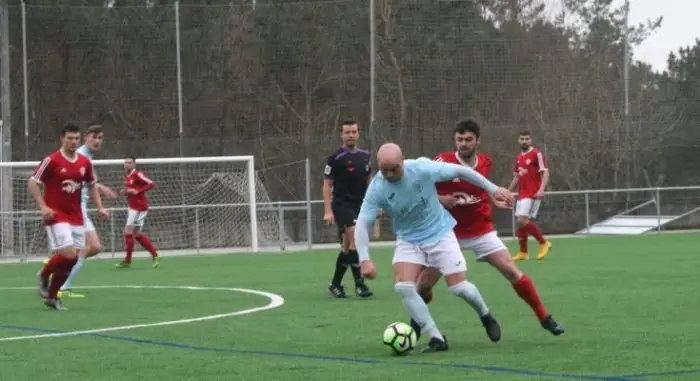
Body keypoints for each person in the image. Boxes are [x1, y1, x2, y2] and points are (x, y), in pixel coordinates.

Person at [409, 119, 564, 339]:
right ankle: (415, 325)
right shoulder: (442, 161)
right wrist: (440, 198)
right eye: (459, 139)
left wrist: (493, 201)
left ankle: (544, 317)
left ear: (478, 141)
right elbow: (419, 189)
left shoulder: (485, 162)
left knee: (511, 271)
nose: (463, 144)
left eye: (468, 139)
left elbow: (479, 191)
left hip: (481, 230)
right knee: (423, 285)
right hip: (447, 234)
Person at [354, 143, 513, 352]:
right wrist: (364, 258)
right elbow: (363, 222)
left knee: (459, 288)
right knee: (403, 287)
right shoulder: (377, 187)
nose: (390, 174)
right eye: (385, 170)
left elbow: (461, 171)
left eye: (395, 168)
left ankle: (485, 314)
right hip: (409, 239)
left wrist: (494, 188)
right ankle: (436, 337)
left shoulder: (421, 167)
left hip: (440, 233)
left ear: (403, 159)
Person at [30, 124, 109, 310]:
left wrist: (100, 207)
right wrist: (43, 207)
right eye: (70, 138)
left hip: (76, 216)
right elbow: (33, 183)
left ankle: (51, 296)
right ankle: (44, 274)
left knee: (73, 259)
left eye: (76, 139)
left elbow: (92, 185)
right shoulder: (52, 160)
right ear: (62, 139)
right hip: (56, 215)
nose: (73, 142)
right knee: (69, 254)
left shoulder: (84, 162)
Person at [58, 124, 117, 298]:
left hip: (81, 208)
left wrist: (100, 199)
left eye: (100, 138)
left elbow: (88, 182)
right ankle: (62, 280)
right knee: (92, 246)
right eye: (94, 137)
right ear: (86, 137)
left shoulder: (87, 156)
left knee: (93, 247)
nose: (97, 141)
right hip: (74, 209)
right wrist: (101, 191)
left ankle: (61, 271)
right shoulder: (81, 154)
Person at [322, 120, 373, 298]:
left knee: (347, 247)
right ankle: (360, 285)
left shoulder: (365, 156)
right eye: (347, 132)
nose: (350, 135)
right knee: (354, 237)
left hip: (361, 205)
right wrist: (328, 210)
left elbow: (370, 182)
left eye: (353, 132)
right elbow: (327, 184)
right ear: (342, 135)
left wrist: (376, 203)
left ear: (358, 134)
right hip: (342, 204)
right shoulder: (335, 158)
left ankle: (335, 285)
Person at [508, 131, 551, 261]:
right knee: (520, 223)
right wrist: (507, 191)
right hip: (522, 194)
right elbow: (516, 177)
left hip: (532, 193)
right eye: (522, 139)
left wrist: (542, 188)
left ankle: (544, 242)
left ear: (530, 140)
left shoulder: (536, 154)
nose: (524, 141)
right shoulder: (518, 157)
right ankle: (523, 252)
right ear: (518, 140)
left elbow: (545, 172)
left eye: (527, 139)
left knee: (522, 220)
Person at [115, 156, 160, 268]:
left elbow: (151, 183)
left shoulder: (138, 174)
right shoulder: (128, 177)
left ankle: (129, 260)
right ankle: (153, 256)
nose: (127, 164)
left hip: (139, 208)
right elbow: (132, 191)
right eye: (125, 162)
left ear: (134, 164)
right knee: (134, 234)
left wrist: (138, 191)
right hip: (132, 208)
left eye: (130, 162)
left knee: (129, 233)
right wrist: (125, 192)